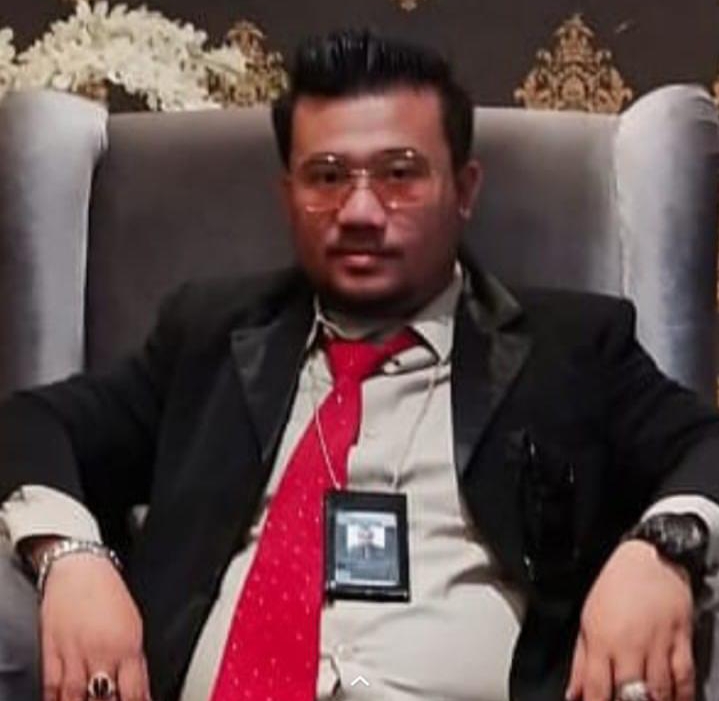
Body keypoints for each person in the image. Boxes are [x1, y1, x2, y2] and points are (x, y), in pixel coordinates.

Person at [1, 28, 719, 701]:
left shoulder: (572, 345)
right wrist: (71, 555)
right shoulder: (210, 335)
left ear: (465, 189)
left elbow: (704, 446)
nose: (361, 211)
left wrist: (661, 553)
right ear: (289, 195)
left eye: (400, 174)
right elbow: (30, 423)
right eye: (326, 176)